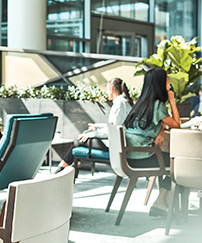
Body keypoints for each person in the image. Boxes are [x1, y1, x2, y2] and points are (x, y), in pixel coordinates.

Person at [123, 67, 180, 216]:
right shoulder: (158, 105)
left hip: (129, 156)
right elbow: (176, 125)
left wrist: (160, 131)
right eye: (167, 80)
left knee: (167, 162)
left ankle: (161, 203)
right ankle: (162, 202)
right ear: (161, 83)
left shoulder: (141, 104)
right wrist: (172, 101)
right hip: (142, 157)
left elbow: (159, 123)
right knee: (179, 164)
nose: (169, 82)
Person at [55, 77, 134, 173]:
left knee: (79, 140)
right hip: (118, 142)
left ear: (112, 89)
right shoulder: (124, 103)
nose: (107, 92)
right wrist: (96, 127)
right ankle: (70, 167)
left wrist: (92, 134)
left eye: (107, 89)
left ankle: (62, 167)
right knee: (84, 134)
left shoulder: (119, 105)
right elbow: (114, 126)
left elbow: (114, 131)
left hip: (115, 145)